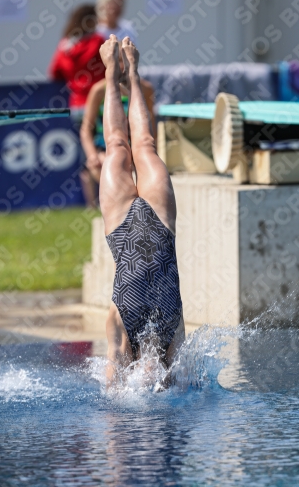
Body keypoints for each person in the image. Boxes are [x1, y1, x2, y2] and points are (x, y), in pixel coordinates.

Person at [99, 35, 185, 388]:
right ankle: (132, 73)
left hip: (121, 224)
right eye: (157, 376)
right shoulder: (172, 337)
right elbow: (181, 387)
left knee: (118, 146)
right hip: (160, 221)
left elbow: (111, 395)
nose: (151, 375)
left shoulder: (119, 330)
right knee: (144, 143)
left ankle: (110, 72)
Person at [48, 4, 106, 206]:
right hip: (99, 103)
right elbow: (112, 62)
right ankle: (110, 197)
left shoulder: (65, 46)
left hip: (77, 106)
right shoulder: (98, 41)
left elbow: (54, 73)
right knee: (104, 149)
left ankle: (91, 204)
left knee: (86, 156)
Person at [80, 46, 156, 185]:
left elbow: (151, 124)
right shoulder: (99, 90)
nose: (121, 66)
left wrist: (154, 152)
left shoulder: (146, 89)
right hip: (105, 148)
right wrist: (92, 155)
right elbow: (86, 128)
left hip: (136, 147)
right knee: (107, 164)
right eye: (117, 61)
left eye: (124, 61)